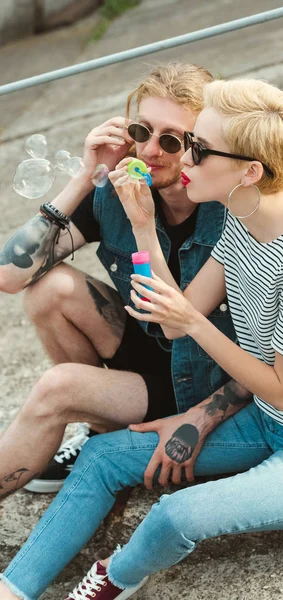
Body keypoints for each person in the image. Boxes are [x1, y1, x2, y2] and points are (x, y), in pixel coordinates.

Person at [0, 78, 283, 600]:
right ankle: (12, 588)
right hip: (264, 422)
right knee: (103, 456)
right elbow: (172, 318)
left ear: (250, 171)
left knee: (175, 514)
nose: (184, 162)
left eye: (196, 148)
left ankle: (114, 578)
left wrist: (195, 339)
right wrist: (143, 226)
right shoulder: (246, 219)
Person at [0, 63, 237, 497]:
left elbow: (252, 343)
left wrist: (204, 417)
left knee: (58, 388)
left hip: (199, 379)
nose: (150, 150)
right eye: (141, 131)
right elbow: (9, 275)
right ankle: (103, 428)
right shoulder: (117, 188)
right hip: (145, 354)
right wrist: (84, 177)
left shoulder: (229, 213)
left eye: (171, 140)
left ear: (202, 145)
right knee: (46, 289)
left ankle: (101, 421)